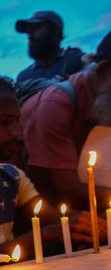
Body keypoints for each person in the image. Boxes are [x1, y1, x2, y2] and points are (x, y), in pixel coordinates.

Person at [0, 74, 107, 263]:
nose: (17, 133)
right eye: (4, 122)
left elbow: (57, 221)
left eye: (17, 121)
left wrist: (95, 222)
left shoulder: (12, 177)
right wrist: (48, 235)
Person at [21, 30, 111, 212]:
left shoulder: (101, 100)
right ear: (103, 72)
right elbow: (70, 191)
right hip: (48, 222)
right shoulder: (54, 105)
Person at [15, 10, 84, 82]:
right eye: (28, 32)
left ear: (55, 31)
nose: (30, 36)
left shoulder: (77, 61)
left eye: (35, 29)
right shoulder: (23, 77)